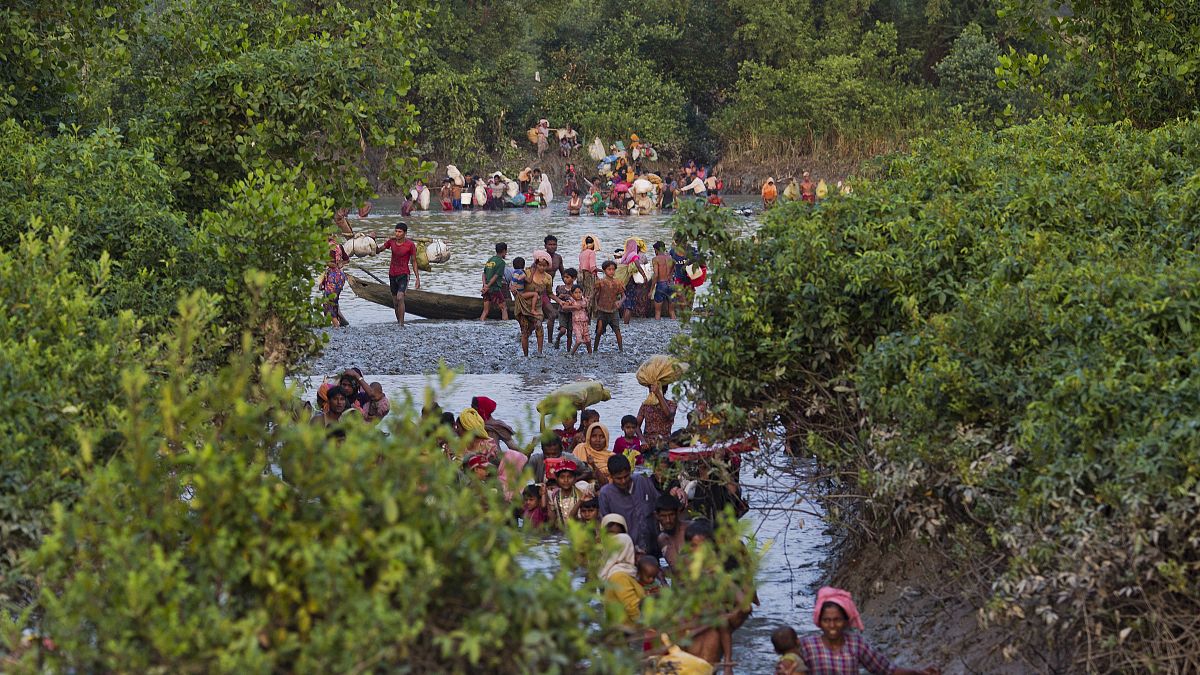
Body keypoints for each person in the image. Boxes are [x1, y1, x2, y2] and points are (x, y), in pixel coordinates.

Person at [800, 587, 940, 675]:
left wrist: (920, 673)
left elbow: (886, 669)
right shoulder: (807, 646)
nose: (832, 625)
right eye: (826, 620)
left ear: (845, 621)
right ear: (819, 622)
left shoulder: (856, 644)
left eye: (837, 620)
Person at [598, 454, 660, 554]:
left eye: (626, 476)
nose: (623, 481)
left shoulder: (642, 481)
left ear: (630, 471)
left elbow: (658, 503)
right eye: (618, 478)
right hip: (626, 551)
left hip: (652, 545)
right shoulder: (605, 494)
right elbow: (607, 526)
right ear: (611, 476)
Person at [376, 222, 420, 326]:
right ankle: (398, 322)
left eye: (400, 232)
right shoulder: (391, 242)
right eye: (396, 231)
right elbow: (377, 250)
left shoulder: (410, 245)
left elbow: (413, 261)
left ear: (405, 233)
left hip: (404, 274)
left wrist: (417, 278)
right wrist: (373, 239)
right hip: (392, 274)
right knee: (395, 302)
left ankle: (401, 324)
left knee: (400, 297)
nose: (397, 233)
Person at [600, 532, 645, 626]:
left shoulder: (622, 572)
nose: (637, 552)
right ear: (627, 550)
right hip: (625, 633)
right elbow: (632, 607)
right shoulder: (619, 576)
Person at [515, 252, 553, 356]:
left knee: (539, 325)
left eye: (544, 265)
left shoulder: (548, 278)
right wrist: (513, 289)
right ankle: (525, 355)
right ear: (536, 264)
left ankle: (540, 352)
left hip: (537, 308)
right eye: (540, 265)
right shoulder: (527, 272)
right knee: (524, 330)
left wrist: (560, 301)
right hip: (523, 305)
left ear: (547, 266)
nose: (541, 267)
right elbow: (515, 280)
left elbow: (550, 293)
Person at [545, 459, 590, 527]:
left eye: (570, 477)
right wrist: (545, 496)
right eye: (562, 477)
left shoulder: (581, 491)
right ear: (556, 479)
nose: (566, 480)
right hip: (561, 533)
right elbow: (552, 519)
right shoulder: (553, 495)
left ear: (575, 478)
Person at [592, 260, 624, 353]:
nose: (611, 271)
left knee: (617, 330)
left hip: (613, 310)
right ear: (604, 270)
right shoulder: (600, 282)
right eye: (609, 269)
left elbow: (624, 296)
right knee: (599, 330)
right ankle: (595, 349)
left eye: (613, 269)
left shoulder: (618, 283)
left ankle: (621, 349)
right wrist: (588, 301)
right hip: (602, 310)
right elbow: (594, 294)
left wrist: (620, 301)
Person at [654, 493, 691, 571]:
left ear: (677, 513)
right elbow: (673, 567)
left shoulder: (691, 530)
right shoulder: (662, 539)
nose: (668, 520)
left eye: (671, 515)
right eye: (663, 516)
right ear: (656, 516)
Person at [637, 382, 677, 452]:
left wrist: (658, 394)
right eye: (650, 388)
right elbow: (636, 425)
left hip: (665, 444)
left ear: (665, 389)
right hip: (648, 446)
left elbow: (669, 415)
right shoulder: (645, 405)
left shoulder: (671, 404)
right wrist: (643, 441)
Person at [480, 242, 509, 321]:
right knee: (504, 307)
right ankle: (505, 325)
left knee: (485, 310)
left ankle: (481, 323)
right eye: (506, 252)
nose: (506, 254)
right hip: (494, 288)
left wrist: (485, 285)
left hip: (486, 288)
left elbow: (484, 273)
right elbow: (496, 276)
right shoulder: (501, 262)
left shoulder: (490, 260)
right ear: (503, 251)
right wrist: (488, 286)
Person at [318, 254, 349, 327]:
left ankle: (336, 325)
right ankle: (334, 323)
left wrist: (322, 261)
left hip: (333, 277)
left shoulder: (329, 248)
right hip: (340, 276)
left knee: (328, 304)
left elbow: (332, 264)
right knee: (333, 302)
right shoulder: (339, 246)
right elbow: (347, 260)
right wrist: (340, 265)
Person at [554, 268, 578, 350]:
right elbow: (556, 298)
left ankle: (568, 350)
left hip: (572, 313)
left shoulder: (576, 289)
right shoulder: (560, 288)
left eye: (567, 277)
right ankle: (558, 338)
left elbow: (579, 298)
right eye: (564, 277)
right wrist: (559, 297)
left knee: (570, 333)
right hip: (562, 312)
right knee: (563, 330)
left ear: (574, 278)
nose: (565, 279)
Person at [650, 241, 675, 320]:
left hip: (661, 284)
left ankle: (657, 330)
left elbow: (656, 275)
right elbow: (673, 271)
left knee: (658, 312)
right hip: (671, 284)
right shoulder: (671, 258)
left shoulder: (655, 259)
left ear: (656, 250)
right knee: (672, 311)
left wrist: (651, 290)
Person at [578, 235, 601, 308]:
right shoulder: (592, 253)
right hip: (589, 275)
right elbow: (592, 267)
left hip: (581, 275)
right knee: (591, 294)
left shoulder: (582, 253)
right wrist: (603, 270)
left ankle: (583, 309)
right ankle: (590, 310)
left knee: (584, 293)